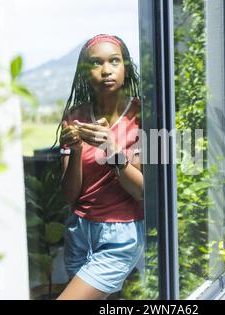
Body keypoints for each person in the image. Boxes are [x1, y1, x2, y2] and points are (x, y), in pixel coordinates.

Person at [55, 34, 144, 300]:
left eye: (114, 61)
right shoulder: (75, 116)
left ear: (125, 67)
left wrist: (111, 149)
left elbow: (142, 191)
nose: (106, 70)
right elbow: (70, 195)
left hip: (120, 234)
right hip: (79, 230)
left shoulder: (142, 116)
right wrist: (76, 148)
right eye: (96, 63)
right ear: (86, 72)